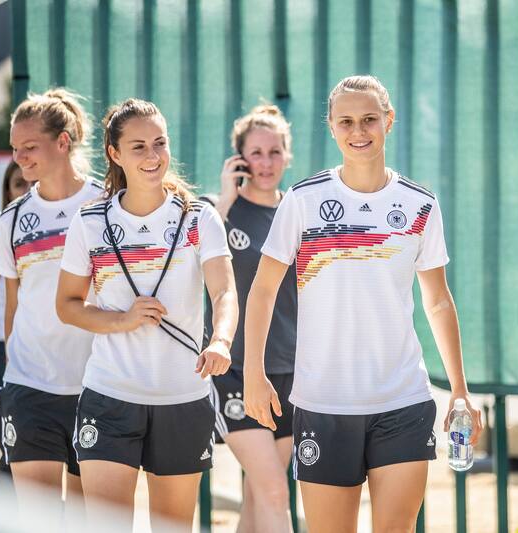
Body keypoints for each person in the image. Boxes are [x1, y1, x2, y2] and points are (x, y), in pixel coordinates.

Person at [243, 75, 483, 533]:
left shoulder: (419, 205)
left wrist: (459, 389)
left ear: (388, 121)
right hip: (323, 403)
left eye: (370, 119)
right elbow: (263, 288)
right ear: (331, 127)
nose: (359, 131)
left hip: (403, 401)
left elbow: (437, 301)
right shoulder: (304, 200)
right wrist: (253, 371)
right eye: (347, 121)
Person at [55, 98, 238, 529]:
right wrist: (121, 319)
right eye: (138, 147)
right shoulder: (90, 221)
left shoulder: (199, 218)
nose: (153, 156)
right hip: (109, 396)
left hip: (183, 400)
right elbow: (66, 305)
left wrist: (222, 340)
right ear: (115, 154)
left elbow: (225, 290)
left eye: (160, 142)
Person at [0, 89, 103, 515]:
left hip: (97, 387)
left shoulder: (105, 205)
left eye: (29, 147)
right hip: (30, 386)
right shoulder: (14, 218)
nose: (20, 158)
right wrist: (13, 373)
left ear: (63, 142)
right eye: (15, 149)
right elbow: (12, 306)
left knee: (87, 521)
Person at [209, 104, 298, 532]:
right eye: (255, 153)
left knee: (259, 496)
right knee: (276, 493)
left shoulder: (299, 213)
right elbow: (188, 267)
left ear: (288, 155)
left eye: (274, 152)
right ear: (239, 159)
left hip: (289, 373)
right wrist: (225, 199)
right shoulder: (218, 214)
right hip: (237, 373)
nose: (266, 163)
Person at [0, 162, 31, 494]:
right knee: (18, 450)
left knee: (22, 452)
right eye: (19, 184)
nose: (27, 192)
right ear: (7, 193)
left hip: (37, 353)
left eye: (34, 184)